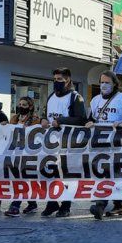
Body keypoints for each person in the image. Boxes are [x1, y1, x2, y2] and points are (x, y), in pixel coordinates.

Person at [86, 71, 122, 220]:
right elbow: (91, 119)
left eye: (107, 82)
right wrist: (88, 122)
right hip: (100, 144)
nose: (103, 85)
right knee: (102, 173)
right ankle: (116, 206)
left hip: (118, 143)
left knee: (113, 174)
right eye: (102, 82)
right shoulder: (95, 100)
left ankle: (100, 205)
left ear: (115, 83)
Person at [39, 68, 88, 217]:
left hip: (69, 143)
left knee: (66, 174)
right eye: (55, 79)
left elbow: (81, 119)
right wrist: (43, 119)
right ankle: (52, 202)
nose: (56, 82)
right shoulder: (51, 96)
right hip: (51, 142)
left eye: (60, 79)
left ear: (68, 80)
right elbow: (46, 113)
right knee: (48, 172)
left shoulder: (75, 97)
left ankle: (65, 205)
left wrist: (60, 121)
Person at [0, 96, 42, 217]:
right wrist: (5, 125)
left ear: (30, 107)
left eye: (24, 105)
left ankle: (15, 206)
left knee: (21, 178)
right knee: (19, 178)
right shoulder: (14, 118)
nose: (21, 107)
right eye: (20, 104)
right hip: (14, 153)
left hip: (28, 154)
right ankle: (32, 204)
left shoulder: (35, 119)